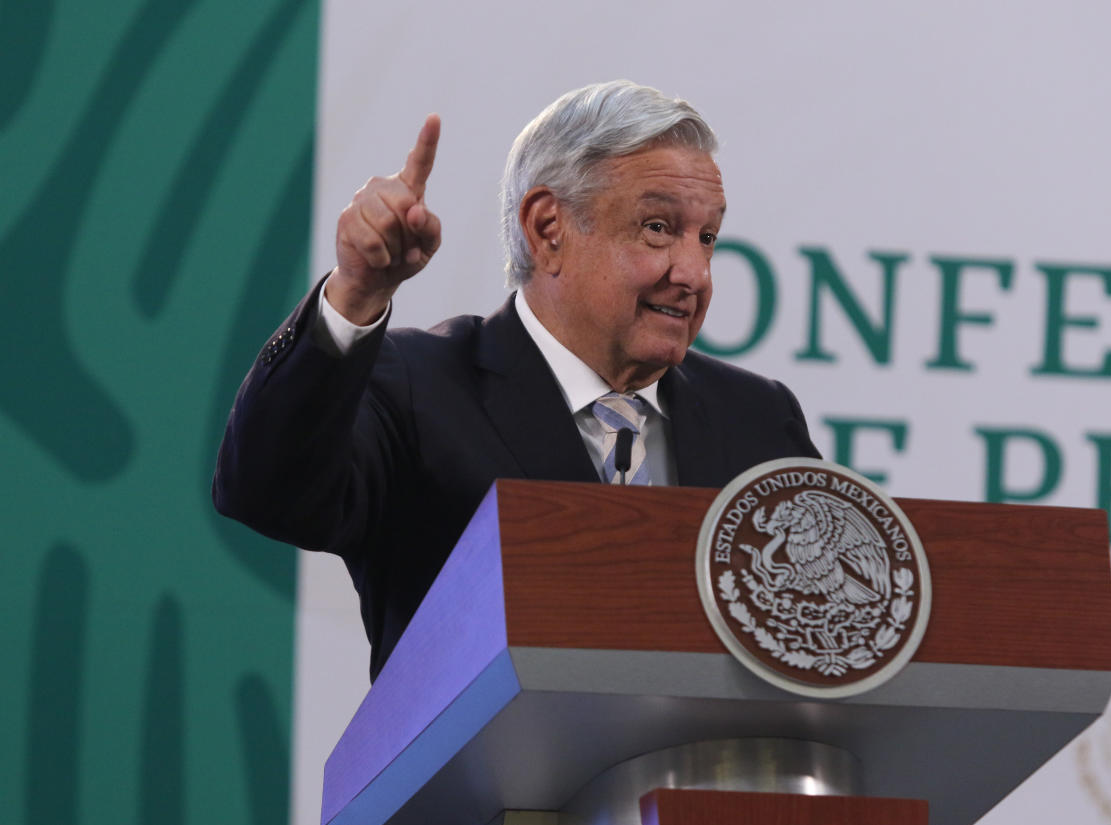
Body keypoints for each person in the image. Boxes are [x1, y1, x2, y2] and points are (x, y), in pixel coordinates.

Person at [213, 81, 820, 681]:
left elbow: (832, 632)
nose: (693, 273)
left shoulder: (759, 420)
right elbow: (268, 492)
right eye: (658, 228)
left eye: (706, 237)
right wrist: (356, 294)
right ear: (548, 226)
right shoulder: (417, 387)